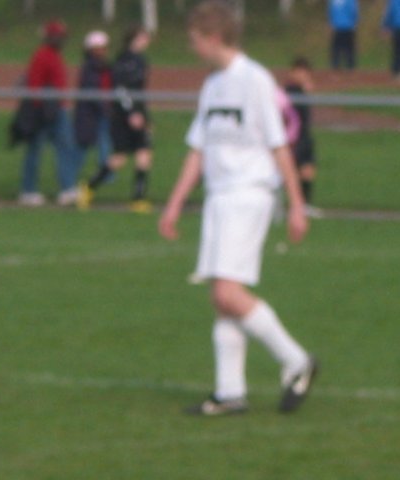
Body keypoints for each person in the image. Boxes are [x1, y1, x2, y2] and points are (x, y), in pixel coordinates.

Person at [159, 0, 318, 416]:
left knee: (227, 292)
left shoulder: (255, 80)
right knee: (221, 296)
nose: (192, 48)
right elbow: (198, 149)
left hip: (248, 194)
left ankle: (295, 360)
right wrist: (174, 205)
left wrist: (297, 205)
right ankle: (229, 392)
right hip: (219, 198)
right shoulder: (212, 85)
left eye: (195, 40)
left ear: (214, 38)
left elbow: (279, 145)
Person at [78, 26, 154, 213]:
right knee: (119, 157)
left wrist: (145, 116)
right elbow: (120, 89)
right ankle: (89, 186)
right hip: (124, 116)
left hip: (138, 113)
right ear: (133, 39)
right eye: (143, 37)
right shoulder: (123, 61)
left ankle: (138, 198)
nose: (147, 41)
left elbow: (139, 91)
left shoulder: (141, 60)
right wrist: (131, 113)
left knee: (144, 153)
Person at [19, 20, 78, 207]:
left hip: (57, 110)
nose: (61, 40)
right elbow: (34, 84)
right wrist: (38, 109)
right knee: (35, 150)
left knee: (65, 147)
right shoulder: (42, 55)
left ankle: (68, 189)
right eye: (58, 36)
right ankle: (28, 191)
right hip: (42, 112)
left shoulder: (55, 55)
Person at [72, 31, 114, 185]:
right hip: (90, 114)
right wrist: (105, 108)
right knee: (82, 147)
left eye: (104, 47)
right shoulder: (90, 67)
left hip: (101, 112)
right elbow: (92, 91)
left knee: (105, 145)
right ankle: (71, 176)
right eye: (99, 48)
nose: (103, 51)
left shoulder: (104, 66)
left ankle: (106, 176)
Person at [284, 57, 322, 218]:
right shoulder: (289, 91)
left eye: (305, 73)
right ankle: (294, 205)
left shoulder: (303, 91)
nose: (302, 75)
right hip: (294, 138)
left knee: (308, 171)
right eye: (299, 72)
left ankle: (304, 205)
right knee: (293, 172)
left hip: (305, 136)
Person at [328, 0, 359, 71]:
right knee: (349, 49)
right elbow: (354, 11)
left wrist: (331, 24)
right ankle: (350, 68)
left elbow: (330, 12)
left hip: (337, 27)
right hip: (349, 27)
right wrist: (355, 23)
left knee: (336, 49)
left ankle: (335, 68)